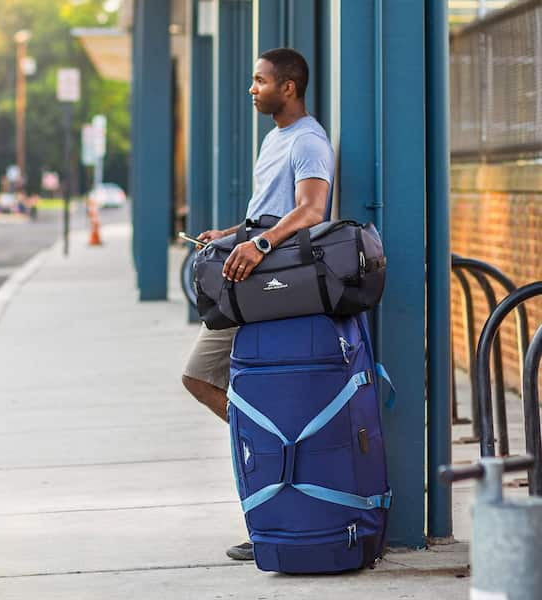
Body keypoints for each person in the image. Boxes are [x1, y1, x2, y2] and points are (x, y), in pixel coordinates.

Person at [181, 47, 335, 561]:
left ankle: (281, 483)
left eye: (260, 80)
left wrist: (261, 245)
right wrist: (229, 235)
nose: (253, 88)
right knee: (203, 378)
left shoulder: (309, 141)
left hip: (273, 283)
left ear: (287, 87)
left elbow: (311, 210)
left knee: (203, 374)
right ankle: (276, 453)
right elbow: (269, 212)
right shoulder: (274, 138)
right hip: (249, 268)